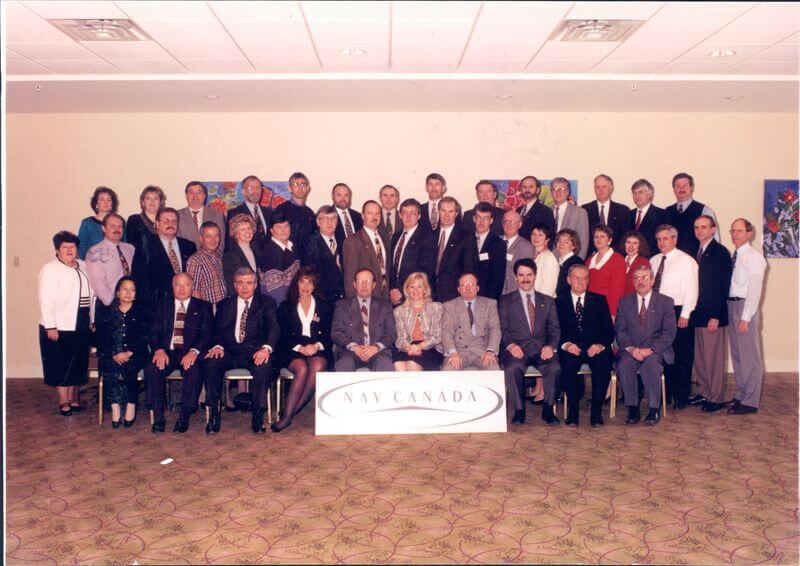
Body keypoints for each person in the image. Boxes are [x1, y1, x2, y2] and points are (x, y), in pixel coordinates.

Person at [204, 267, 279, 434]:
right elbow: (215, 330)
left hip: (254, 351)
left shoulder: (267, 303)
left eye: (249, 283)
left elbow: (274, 329)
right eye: (240, 283)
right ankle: (213, 416)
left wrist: (266, 349)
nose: (245, 287)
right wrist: (217, 346)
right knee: (211, 364)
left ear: (255, 285)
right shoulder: (224, 304)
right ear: (234, 285)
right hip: (229, 352)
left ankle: (257, 420)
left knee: (264, 366)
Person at [144, 273, 213, 433]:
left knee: (194, 371)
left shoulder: (203, 306)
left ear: (192, 286)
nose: (182, 289)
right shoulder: (161, 305)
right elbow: (153, 331)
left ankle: (184, 416)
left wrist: (194, 352)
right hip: (166, 351)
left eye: (186, 285)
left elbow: (207, 334)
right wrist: (159, 349)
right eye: (178, 285)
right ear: (172, 286)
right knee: (153, 369)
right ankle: (158, 417)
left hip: (189, 352)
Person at [38, 231, 95, 416]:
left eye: (72, 246)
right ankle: (63, 401)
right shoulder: (50, 269)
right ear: (57, 250)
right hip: (60, 325)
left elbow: (92, 296)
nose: (70, 250)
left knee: (76, 362)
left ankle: (72, 399)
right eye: (65, 247)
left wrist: (92, 320)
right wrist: (50, 326)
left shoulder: (84, 266)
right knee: (61, 364)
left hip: (81, 321)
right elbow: (45, 299)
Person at [499, 258, 561, 425]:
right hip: (518, 348)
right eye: (521, 275)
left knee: (554, 367)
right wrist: (511, 346)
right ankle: (519, 410)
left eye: (529, 275)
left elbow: (554, 329)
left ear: (535, 276)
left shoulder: (547, 301)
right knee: (512, 367)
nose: (525, 279)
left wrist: (551, 346)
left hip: (542, 349)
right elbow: (503, 330)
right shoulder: (505, 301)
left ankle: (548, 408)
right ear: (515, 277)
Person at [273, 267, 333, 432]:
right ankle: (287, 416)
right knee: (301, 368)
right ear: (296, 284)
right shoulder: (286, 306)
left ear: (314, 286)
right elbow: (283, 335)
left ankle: (288, 413)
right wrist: (300, 348)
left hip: (317, 348)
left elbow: (328, 335)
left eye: (310, 282)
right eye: (302, 282)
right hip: (292, 348)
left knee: (318, 366)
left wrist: (316, 346)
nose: (305, 287)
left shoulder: (325, 306)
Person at [615, 264, 677, 425]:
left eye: (644, 278)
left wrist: (651, 349)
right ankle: (633, 407)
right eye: (636, 278)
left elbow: (669, 333)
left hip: (655, 350)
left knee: (651, 365)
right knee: (625, 364)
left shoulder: (665, 302)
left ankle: (653, 408)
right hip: (631, 349)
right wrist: (631, 349)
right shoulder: (625, 301)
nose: (640, 281)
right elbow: (620, 330)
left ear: (652, 281)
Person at [555, 264, 614, 427]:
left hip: (594, 347)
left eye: (584, 278)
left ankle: (596, 412)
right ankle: (573, 412)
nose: (580, 281)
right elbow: (554, 330)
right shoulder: (558, 302)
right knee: (567, 364)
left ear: (588, 280)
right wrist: (566, 345)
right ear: (568, 280)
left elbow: (608, 330)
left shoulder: (599, 300)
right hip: (571, 347)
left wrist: (599, 345)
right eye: (576, 277)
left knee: (603, 363)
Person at [649, 224, 698, 409]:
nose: (662, 242)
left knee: (681, 355)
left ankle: (681, 396)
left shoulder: (686, 261)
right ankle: (665, 394)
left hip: (678, 312)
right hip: (657, 311)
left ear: (674, 239)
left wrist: (685, 314)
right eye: (659, 239)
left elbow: (692, 290)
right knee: (662, 353)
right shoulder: (654, 260)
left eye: (665, 238)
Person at [690, 215, 732, 413]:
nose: (700, 231)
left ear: (713, 229)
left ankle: (715, 397)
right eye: (697, 227)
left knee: (713, 359)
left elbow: (722, 286)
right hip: (698, 314)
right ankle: (705, 392)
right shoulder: (697, 251)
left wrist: (716, 315)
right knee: (700, 358)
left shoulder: (720, 252)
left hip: (712, 315)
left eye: (704, 227)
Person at [96, 277, 150, 428]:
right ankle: (115, 407)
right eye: (124, 289)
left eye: (132, 290)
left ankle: (131, 405)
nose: (128, 292)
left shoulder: (142, 312)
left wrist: (129, 353)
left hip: (136, 353)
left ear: (135, 294)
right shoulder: (107, 312)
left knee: (130, 368)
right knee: (109, 367)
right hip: (113, 353)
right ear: (118, 292)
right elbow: (102, 338)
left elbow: (145, 336)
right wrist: (114, 353)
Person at [726, 218, 767, 415]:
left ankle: (750, 401)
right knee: (737, 354)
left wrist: (746, 316)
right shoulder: (735, 255)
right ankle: (742, 393)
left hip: (744, 307)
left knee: (750, 356)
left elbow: (754, 290)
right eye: (732, 231)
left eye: (739, 231)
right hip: (731, 304)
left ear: (749, 233)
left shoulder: (754, 257)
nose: (735, 234)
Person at [331, 268, 396, 371]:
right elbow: (336, 332)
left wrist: (376, 348)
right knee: (345, 363)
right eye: (360, 281)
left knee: (384, 363)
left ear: (374, 285)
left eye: (368, 281)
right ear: (355, 285)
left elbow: (391, 334)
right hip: (350, 351)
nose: (364, 285)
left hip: (377, 352)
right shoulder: (342, 306)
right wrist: (354, 347)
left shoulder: (385, 306)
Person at [132, 207, 196, 309]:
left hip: (187, 305)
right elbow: (140, 280)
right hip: (157, 306)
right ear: (157, 223)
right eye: (166, 221)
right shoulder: (145, 246)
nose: (170, 224)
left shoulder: (189, 246)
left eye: (174, 221)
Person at [441, 273, 501, 371]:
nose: (468, 288)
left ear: (478, 288)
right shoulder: (449, 306)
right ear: (458, 289)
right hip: (458, 352)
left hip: (483, 351)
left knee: (493, 368)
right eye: (464, 285)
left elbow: (495, 329)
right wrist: (452, 352)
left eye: (471, 285)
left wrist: (490, 351)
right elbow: (446, 331)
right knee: (448, 370)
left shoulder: (490, 304)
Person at [390, 198, 437, 305]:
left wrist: (402, 290)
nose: (408, 216)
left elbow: (426, 270)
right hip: (393, 296)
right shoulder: (395, 237)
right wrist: (393, 288)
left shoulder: (427, 237)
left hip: (415, 296)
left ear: (419, 216)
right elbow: (392, 267)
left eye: (413, 213)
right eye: (405, 213)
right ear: (400, 215)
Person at [393, 273, 444, 371]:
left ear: (425, 289)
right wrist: (409, 348)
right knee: (398, 364)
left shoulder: (436, 307)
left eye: (419, 286)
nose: (415, 290)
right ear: (407, 290)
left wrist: (420, 347)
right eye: (412, 287)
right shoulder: (399, 311)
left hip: (431, 348)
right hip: (409, 348)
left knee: (412, 363)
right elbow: (401, 338)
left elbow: (437, 336)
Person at [85, 213, 135, 308]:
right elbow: (98, 283)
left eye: (120, 226)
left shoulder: (130, 249)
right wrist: (115, 305)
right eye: (112, 226)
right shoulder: (95, 252)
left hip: (130, 304)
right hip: (109, 305)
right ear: (103, 228)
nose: (117, 229)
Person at [432, 196, 477, 302]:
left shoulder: (466, 236)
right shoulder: (430, 235)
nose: (446, 215)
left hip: (454, 296)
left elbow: (469, 268)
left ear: (456, 214)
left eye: (451, 211)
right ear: (438, 211)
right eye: (443, 211)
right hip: (431, 295)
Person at [343, 200, 391, 299]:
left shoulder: (384, 238)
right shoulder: (353, 241)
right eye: (370, 213)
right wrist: (354, 305)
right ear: (362, 216)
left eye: (377, 213)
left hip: (384, 298)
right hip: (365, 299)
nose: (374, 217)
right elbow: (350, 278)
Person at [666, 172, 720, 258]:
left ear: (691, 188)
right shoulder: (667, 212)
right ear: (674, 189)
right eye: (678, 186)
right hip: (673, 261)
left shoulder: (704, 210)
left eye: (685, 185)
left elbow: (714, 241)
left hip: (697, 262)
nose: (681, 188)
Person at [303, 205, 345, 302]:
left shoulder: (344, 241)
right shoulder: (309, 244)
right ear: (318, 222)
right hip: (322, 299)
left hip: (343, 299)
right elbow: (310, 275)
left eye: (333, 218)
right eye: (325, 218)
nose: (330, 222)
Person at [582, 174, 630, 255]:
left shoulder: (623, 210)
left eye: (604, 186)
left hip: (616, 257)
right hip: (592, 257)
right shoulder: (584, 210)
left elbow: (625, 237)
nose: (601, 190)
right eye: (597, 187)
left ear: (611, 188)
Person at [585, 225, 626, 318]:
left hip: (607, 309)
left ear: (610, 240)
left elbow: (618, 290)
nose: (599, 239)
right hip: (590, 307)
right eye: (596, 237)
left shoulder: (618, 259)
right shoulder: (589, 260)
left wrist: (613, 314)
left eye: (602, 236)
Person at [259, 214, 301, 305]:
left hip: (292, 300)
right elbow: (277, 293)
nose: (283, 230)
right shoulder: (271, 253)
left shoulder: (292, 246)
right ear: (271, 230)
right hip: (279, 307)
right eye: (278, 227)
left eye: (286, 226)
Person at [226, 174, 272, 253]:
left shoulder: (269, 212)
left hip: (268, 262)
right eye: (251, 188)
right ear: (244, 191)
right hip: (246, 261)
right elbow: (230, 244)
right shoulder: (233, 213)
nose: (255, 191)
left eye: (258, 188)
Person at [177, 180, 227, 253]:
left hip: (211, 260)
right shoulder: (177, 215)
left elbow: (221, 243)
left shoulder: (217, 215)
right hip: (186, 259)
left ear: (204, 195)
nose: (195, 196)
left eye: (199, 192)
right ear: (186, 196)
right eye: (191, 192)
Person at [274, 172, 315, 257]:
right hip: (287, 259)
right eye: (296, 184)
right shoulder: (282, 210)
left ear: (307, 188)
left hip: (307, 260)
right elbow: (275, 239)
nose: (300, 188)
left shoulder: (310, 213)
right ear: (290, 188)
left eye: (303, 184)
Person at [186, 222, 227, 307]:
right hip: (211, 312)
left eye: (216, 236)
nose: (213, 240)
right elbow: (194, 292)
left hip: (225, 309)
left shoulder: (221, 255)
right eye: (209, 236)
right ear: (201, 238)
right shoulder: (195, 260)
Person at [223, 213, 262, 297]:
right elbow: (231, 286)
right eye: (243, 229)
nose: (247, 231)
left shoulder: (254, 251)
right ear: (236, 234)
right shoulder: (229, 256)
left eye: (249, 228)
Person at [473, 202, 506, 301]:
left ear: (491, 220)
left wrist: (490, 302)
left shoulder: (498, 244)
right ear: (474, 219)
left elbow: (498, 278)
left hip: (486, 296)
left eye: (486, 218)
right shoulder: (465, 239)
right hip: (466, 294)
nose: (481, 222)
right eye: (479, 217)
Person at [550, 177, 589, 259]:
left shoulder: (579, 212)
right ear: (551, 192)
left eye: (562, 189)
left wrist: (577, 263)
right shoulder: (547, 211)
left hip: (570, 262)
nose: (558, 192)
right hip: (549, 261)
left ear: (568, 192)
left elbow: (583, 242)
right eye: (555, 189)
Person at [629, 178, 669, 258]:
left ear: (650, 194)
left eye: (640, 192)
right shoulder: (628, 214)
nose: (637, 196)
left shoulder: (662, 215)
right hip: (631, 260)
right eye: (634, 193)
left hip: (652, 259)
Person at [78, 186, 120, 259]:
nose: (105, 202)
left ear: (112, 204)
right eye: (101, 199)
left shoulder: (120, 223)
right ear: (96, 204)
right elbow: (81, 250)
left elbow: (125, 247)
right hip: (93, 266)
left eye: (109, 200)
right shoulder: (87, 223)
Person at [501, 209, 535, 295]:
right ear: (502, 224)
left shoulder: (526, 246)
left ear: (520, 224)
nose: (509, 225)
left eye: (513, 222)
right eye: (506, 222)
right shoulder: (495, 241)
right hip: (494, 294)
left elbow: (525, 276)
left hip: (513, 295)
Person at [126, 185, 166, 250]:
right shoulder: (134, 220)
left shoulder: (166, 221)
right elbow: (131, 246)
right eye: (148, 198)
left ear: (160, 202)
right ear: (143, 202)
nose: (152, 201)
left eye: (155, 198)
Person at [517, 175, 555, 242]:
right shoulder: (518, 211)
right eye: (524, 187)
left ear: (538, 190)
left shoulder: (545, 211)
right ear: (521, 190)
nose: (527, 190)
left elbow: (549, 238)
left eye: (531, 187)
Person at [530, 223, 559, 298]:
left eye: (540, 235)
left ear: (547, 239)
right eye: (534, 234)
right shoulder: (535, 255)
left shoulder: (549, 258)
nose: (536, 237)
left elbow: (548, 290)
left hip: (542, 303)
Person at [555, 228, 585, 298]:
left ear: (574, 246)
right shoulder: (558, 262)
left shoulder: (576, 263)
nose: (561, 244)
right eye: (559, 241)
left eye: (565, 242)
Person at [331, 182, 363, 246]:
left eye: (346, 195)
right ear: (332, 196)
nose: (343, 199)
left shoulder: (358, 217)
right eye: (339, 195)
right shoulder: (327, 216)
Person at [622, 231, 651, 295]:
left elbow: (644, 286)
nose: (631, 246)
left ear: (640, 246)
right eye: (628, 242)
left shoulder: (644, 262)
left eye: (635, 243)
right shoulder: (619, 261)